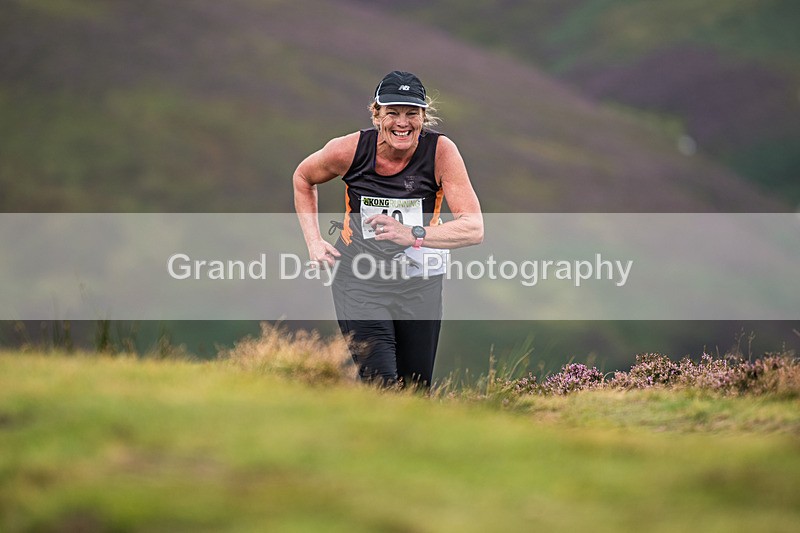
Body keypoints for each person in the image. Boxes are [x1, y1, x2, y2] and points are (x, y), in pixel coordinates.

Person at [293, 71, 483, 388]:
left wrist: (413, 235)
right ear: (376, 113)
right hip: (359, 278)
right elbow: (303, 178)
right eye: (392, 112)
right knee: (381, 384)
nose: (402, 123)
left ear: (424, 117)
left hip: (419, 282)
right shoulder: (349, 150)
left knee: (415, 391)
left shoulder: (440, 152)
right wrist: (313, 242)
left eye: (412, 114)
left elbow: (474, 228)